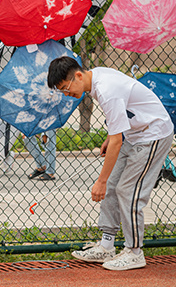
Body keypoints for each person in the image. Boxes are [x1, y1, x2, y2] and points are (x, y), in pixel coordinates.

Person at [48, 56, 173, 271]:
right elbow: (118, 124)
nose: (67, 94)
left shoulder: (106, 90)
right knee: (115, 186)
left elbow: (116, 142)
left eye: (66, 88)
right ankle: (106, 245)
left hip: (154, 133)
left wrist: (101, 181)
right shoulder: (96, 76)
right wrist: (112, 135)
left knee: (128, 190)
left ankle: (135, 252)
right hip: (134, 133)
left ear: (78, 76)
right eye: (62, 91)